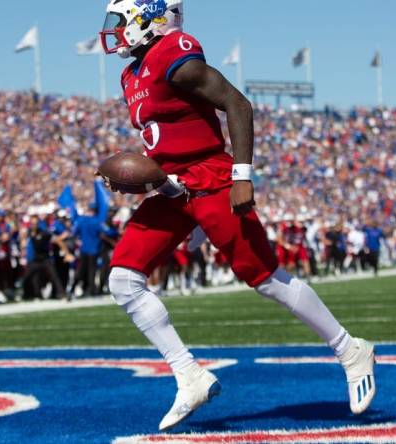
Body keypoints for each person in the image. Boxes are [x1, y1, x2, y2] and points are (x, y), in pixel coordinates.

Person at [100, 0, 375, 431]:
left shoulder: (173, 53)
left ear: (147, 17)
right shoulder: (130, 73)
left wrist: (241, 175)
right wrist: (154, 182)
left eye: (120, 21)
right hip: (175, 187)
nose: (114, 31)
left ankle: (349, 348)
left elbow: (237, 104)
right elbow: (166, 141)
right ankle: (189, 374)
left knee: (265, 279)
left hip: (211, 176)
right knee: (123, 278)